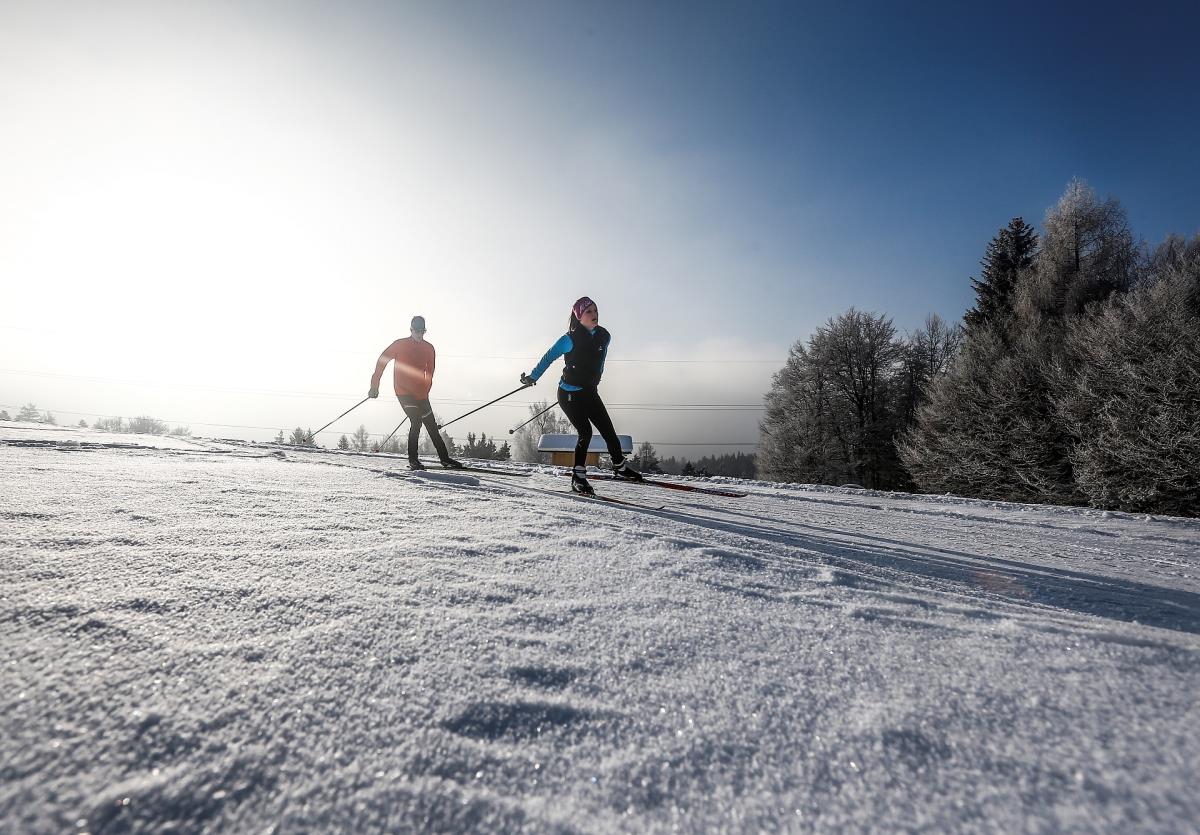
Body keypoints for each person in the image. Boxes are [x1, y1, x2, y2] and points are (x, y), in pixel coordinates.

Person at [520, 296, 642, 495]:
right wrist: (533, 377)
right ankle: (578, 477)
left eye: (595, 310)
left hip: (589, 391)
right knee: (585, 432)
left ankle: (620, 467)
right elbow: (548, 357)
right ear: (579, 317)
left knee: (608, 431)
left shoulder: (604, 336)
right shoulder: (569, 339)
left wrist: (595, 381)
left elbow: (600, 361)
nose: (594, 315)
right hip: (569, 394)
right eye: (589, 312)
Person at [368, 315, 462, 470]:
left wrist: (424, 392)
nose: (420, 334)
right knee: (416, 421)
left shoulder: (429, 348)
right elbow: (382, 361)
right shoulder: (399, 345)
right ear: (411, 330)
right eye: (417, 331)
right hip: (403, 391)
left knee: (431, 425)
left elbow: (430, 373)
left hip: (421, 393)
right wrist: (374, 385)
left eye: (422, 331)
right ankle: (413, 460)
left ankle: (445, 459)